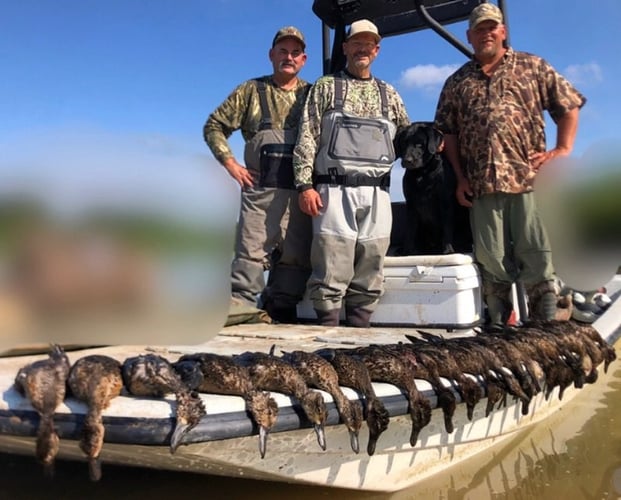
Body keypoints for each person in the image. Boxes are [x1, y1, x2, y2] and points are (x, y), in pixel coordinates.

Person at [434, 3, 586, 328]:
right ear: (469, 36)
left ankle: (545, 334)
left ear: (502, 31)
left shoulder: (533, 66)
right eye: (479, 29)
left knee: (538, 260)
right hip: (482, 188)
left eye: (492, 27)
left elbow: (569, 104)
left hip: (529, 182)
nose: (486, 33)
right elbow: (448, 133)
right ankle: (501, 334)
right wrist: (460, 178)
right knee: (491, 265)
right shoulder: (456, 82)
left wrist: (562, 149)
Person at [293, 19, 410, 328]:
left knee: (372, 261)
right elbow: (308, 136)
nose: (362, 48)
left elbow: (408, 139)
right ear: (345, 47)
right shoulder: (326, 87)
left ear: (377, 50)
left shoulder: (391, 94)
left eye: (368, 43)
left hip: (378, 193)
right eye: (356, 42)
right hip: (333, 189)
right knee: (332, 261)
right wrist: (305, 185)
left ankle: (361, 333)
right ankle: (328, 335)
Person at [204, 26, 312, 324]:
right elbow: (213, 126)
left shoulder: (313, 94)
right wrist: (230, 164)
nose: (288, 57)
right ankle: (238, 322)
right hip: (260, 193)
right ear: (271, 55)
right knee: (248, 261)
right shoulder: (250, 91)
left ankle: (283, 321)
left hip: (300, 193)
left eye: (294, 53)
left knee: (295, 261)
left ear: (303, 59)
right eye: (282, 51)